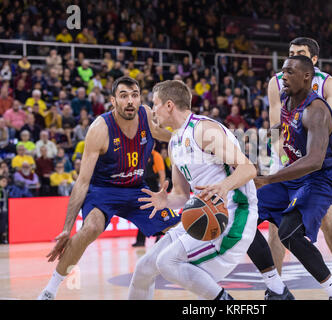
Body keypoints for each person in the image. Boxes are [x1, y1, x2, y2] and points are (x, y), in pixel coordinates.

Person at [37, 76, 177, 300]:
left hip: (136, 188)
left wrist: (190, 139)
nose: (130, 101)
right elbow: (82, 181)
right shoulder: (100, 129)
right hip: (103, 190)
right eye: (123, 96)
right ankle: (49, 291)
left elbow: (165, 135)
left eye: (134, 95)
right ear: (113, 101)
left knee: (178, 230)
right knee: (90, 228)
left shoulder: (147, 115)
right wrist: (67, 227)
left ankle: (196, 285)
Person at [128, 80, 258, 300]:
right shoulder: (174, 143)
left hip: (233, 214)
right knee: (144, 268)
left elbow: (248, 168)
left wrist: (223, 186)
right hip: (204, 214)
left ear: (169, 105)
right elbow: (181, 195)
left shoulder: (204, 130)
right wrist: (166, 201)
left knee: (167, 262)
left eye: (155, 104)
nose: (153, 110)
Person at [259, 37, 332, 297]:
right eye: (289, 54)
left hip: (316, 161)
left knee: (327, 219)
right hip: (287, 157)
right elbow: (275, 121)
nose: (290, 61)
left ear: (312, 60)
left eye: (299, 54)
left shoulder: (327, 83)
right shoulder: (276, 81)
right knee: (274, 224)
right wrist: (275, 157)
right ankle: (275, 287)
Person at [132, 147, 166, 247]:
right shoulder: (139, 155)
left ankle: (157, 238)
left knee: (154, 214)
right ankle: (142, 240)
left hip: (153, 189)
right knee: (144, 215)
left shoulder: (156, 156)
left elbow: (162, 174)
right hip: (141, 188)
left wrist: (161, 191)